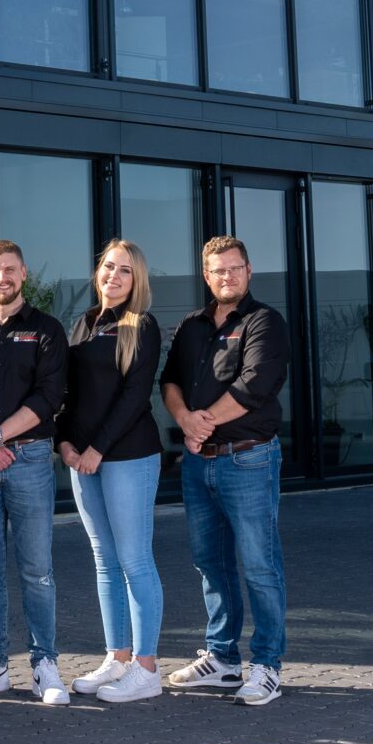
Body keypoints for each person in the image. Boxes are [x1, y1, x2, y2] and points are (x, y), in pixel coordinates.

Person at [160, 235, 291, 707]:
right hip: (200, 463)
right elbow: (169, 380)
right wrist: (184, 421)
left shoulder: (264, 322)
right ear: (206, 275)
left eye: (235, 268)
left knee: (259, 564)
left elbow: (253, 384)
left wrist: (201, 422)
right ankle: (222, 659)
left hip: (249, 458)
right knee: (210, 563)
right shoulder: (192, 326)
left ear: (249, 271)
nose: (227, 277)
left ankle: (268, 665)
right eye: (218, 270)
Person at [0, 240, 71, 705]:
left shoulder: (47, 330)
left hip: (31, 460)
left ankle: (44, 664)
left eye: (8, 269)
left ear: (24, 274)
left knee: (37, 570)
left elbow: (49, 398)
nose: (1, 278)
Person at [59, 240, 168, 704]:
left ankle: (146, 668)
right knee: (105, 561)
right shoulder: (82, 323)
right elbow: (66, 392)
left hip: (127, 457)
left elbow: (134, 398)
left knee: (134, 560)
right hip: (81, 459)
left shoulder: (141, 326)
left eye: (125, 271)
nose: (114, 276)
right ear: (97, 271)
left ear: (136, 279)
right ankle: (118, 657)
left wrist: (97, 449)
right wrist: (63, 441)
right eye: (109, 267)